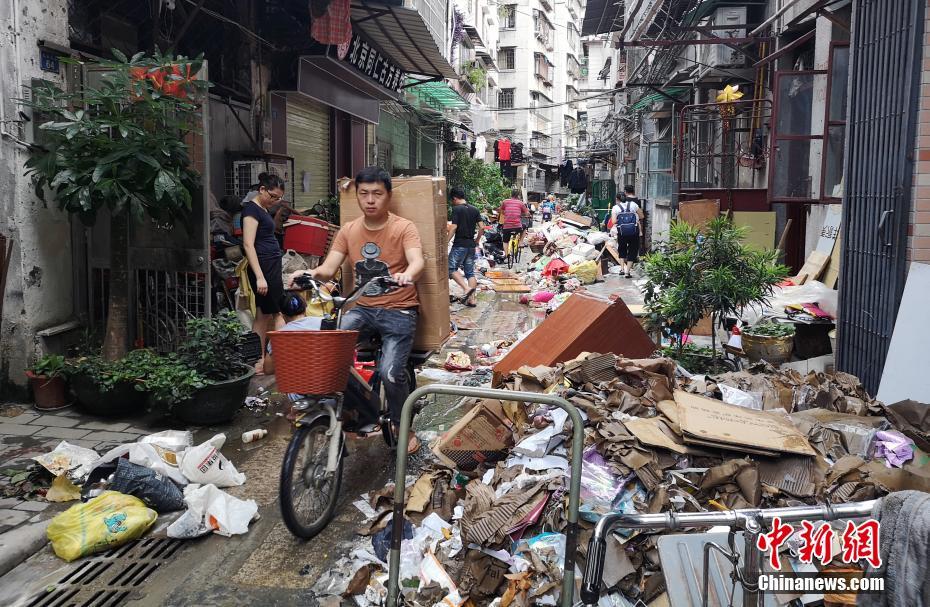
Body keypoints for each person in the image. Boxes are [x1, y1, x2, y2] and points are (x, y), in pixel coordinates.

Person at [289, 167, 425, 455]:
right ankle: (340, 408)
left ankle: (403, 425)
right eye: (364, 194)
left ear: (388, 196)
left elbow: (417, 261)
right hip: (361, 308)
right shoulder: (349, 230)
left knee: (390, 372)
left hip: (399, 310)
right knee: (328, 348)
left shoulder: (404, 228)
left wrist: (408, 275)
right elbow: (328, 269)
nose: (370, 200)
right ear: (358, 197)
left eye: (377, 193)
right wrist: (309, 273)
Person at [242, 172, 287, 373]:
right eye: (273, 196)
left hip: (270, 266)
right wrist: (260, 276)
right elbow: (248, 245)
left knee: (263, 315)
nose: (275, 201)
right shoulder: (251, 211)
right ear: (261, 190)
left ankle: (257, 361)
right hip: (264, 269)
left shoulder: (262, 208)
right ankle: (282, 360)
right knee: (277, 312)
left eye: (278, 198)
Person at [447, 187, 484, 307]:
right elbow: (482, 227)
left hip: (460, 245)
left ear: (454, 198)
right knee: (470, 273)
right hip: (471, 246)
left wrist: (446, 241)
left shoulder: (457, 209)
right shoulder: (474, 209)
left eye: (452, 200)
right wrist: (477, 240)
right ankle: (472, 300)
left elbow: (453, 227)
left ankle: (466, 288)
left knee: (451, 268)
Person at [611, 185, 645, 278]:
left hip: (622, 232)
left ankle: (622, 269)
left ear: (617, 199)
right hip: (634, 231)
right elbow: (642, 216)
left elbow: (614, 221)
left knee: (622, 249)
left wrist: (622, 220)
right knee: (632, 250)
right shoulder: (634, 205)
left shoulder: (615, 208)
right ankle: (628, 272)